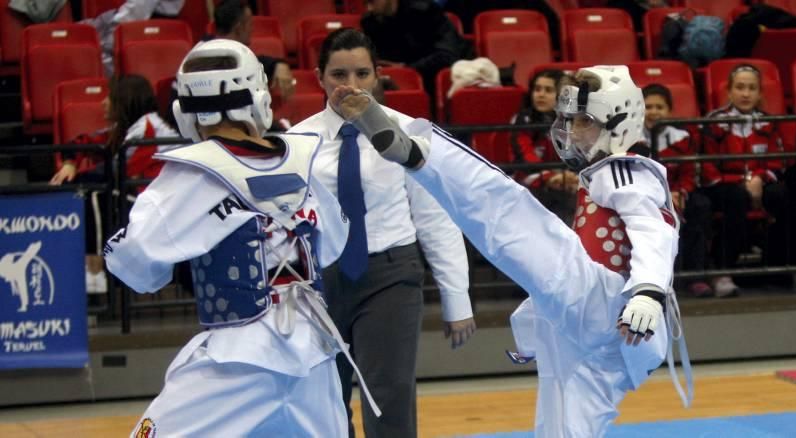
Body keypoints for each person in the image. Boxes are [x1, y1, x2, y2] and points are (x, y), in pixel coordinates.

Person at [339, 64, 692, 436]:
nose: (572, 132)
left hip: (611, 305)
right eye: (569, 121)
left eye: (583, 122)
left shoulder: (628, 171)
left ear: (619, 123)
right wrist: (540, 319)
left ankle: (419, 155)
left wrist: (648, 292)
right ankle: (417, 153)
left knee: (511, 213)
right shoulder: (601, 173)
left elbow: (656, 231)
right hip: (590, 326)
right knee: (561, 429)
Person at [104, 39, 382, 435]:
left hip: (237, 363)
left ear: (185, 107)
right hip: (315, 359)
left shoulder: (190, 174)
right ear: (258, 94)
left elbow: (132, 263)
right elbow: (335, 243)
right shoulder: (301, 159)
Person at [289, 28, 475, 438]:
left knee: (388, 397)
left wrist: (456, 297)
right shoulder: (296, 142)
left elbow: (435, 217)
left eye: (361, 73)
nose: (350, 86)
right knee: (322, 400)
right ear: (319, 77)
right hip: (319, 281)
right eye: (339, 74)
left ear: (377, 76)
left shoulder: (409, 133)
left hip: (392, 275)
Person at [49, 74, 178, 294]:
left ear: (124, 99)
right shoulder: (129, 128)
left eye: (109, 97)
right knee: (91, 189)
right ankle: (90, 268)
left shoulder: (148, 128)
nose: (103, 102)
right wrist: (70, 162)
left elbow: (116, 171)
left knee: (96, 194)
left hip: (163, 203)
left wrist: (78, 176)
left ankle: (94, 271)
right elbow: (84, 142)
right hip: (142, 195)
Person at [702, 63, 796, 295]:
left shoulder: (768, 121)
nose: (746, 94)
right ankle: (722, 271)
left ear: (760, 93)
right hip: (725, 185)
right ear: (729, 92)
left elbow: (778, 161)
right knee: (735, 197)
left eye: (752, 88)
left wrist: (759, 178)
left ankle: (785, 265)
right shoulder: (714, 121)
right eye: (740, 87)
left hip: (760, 183)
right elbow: (706, 166)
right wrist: (743, 181)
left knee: (783, 195)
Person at [642, 83, 714, 297]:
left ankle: (695, 277)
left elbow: (689, 173)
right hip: (645, 196)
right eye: (648, 106)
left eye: (659, 107)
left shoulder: (682, 136)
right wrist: (662, 195)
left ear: (669, 111)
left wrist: (681, 192)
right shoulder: (630, 136)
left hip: (678, 194)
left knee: (701, 206)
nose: (654, 112)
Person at [361, 0, 474, 98]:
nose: (369, 8)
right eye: (365, 3)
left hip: (438, 78)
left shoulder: (427, 11)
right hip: (399, 85)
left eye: (371, 1)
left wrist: (406, 68)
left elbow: (447, 55)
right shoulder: (370, 22)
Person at [510, 68, 578, 223]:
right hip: (528, 178)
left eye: (548, 90)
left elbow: (578, 154)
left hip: (566, 178)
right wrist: (551, 177)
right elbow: (525, 159)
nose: (540, 94)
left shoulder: (573, 120)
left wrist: (569, 176)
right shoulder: (522, 120)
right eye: (537, 89)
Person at [212, 0, 296, 106]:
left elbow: (257, 61)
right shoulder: (215, 61)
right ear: (239, 28)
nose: (252, 29)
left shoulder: (237, 55)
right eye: (250, 24)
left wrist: (278, 64)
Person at [83, 0, 186, 76]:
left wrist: (101, 40)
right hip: (125, 19)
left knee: (97, 50)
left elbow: (131, 15)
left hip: (144, 32)